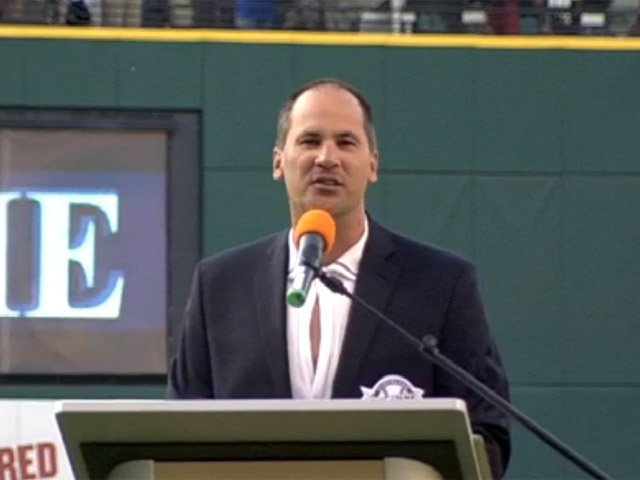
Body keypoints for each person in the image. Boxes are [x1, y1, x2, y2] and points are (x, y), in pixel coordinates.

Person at [168, 77, 511, 478]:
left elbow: (488, 433)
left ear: (373, 165)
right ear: (279, 161)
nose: (326, 158)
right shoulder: (220, 285)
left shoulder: (442, 283)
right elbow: (178, 430)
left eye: (346, 142)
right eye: (310, 140)